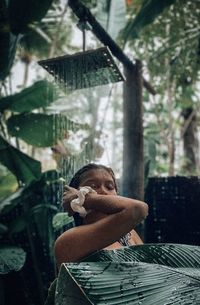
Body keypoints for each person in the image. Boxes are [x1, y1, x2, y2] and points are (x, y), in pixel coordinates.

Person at [54, 163, 148, 267]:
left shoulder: (130, 234)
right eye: (93, 187)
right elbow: (138, 209)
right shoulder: (69, 240)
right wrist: (83, 199)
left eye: (110, 187)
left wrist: (83, 198)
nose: (103, 191)